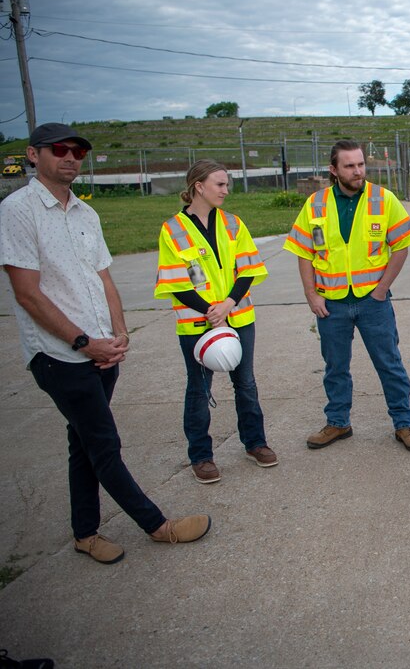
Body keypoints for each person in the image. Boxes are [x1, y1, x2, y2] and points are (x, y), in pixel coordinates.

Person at [0, 123, 210, 564]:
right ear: (33, 155)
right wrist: (82, 342)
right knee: (104, 444)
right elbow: (27, 292)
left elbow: (103, 277)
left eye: (78, 150)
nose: (71, 157)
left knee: (83, 443)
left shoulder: (86, 214)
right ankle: (157, 526)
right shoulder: (18, 210)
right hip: (60, 355)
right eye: (59, 149)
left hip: (103, 350)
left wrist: (119, 331)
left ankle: (85, 533)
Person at [284, 140, 410, 452]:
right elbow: (303, 252)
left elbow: (402, 244)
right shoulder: (315, 204)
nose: (358, 171)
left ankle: (404, 425)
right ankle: (338, 422)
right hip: (331, 303)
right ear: (333, 170)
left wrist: (382, 289)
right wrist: (311, 294)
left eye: (360, 164)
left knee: (389, 364)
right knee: (335, 367)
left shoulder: (382, 199)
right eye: (349, 166)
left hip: (372, 302)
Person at [154, 160, 277, 484]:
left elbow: (248, 269)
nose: (226, 190)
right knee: (199, 389)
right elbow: (175, 282)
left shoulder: (234, 223)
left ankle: (255, 443)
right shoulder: (173, 230)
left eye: (226, 184)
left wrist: (227, 304)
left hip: (238, 317)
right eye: (220, 184)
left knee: (245, 383)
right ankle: (201, 456)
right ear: (199, 186)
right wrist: (211, 311)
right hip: (197, 325)